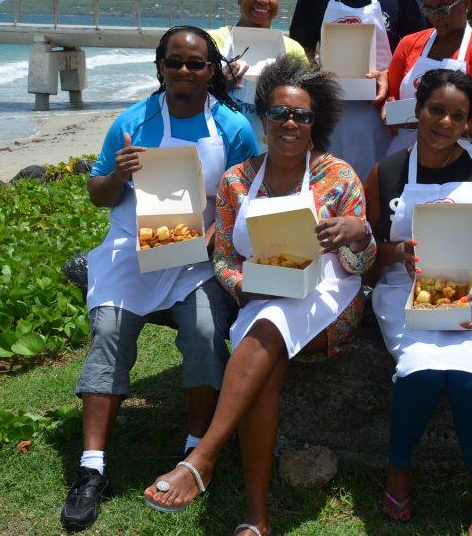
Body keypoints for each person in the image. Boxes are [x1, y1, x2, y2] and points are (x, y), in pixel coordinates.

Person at [143, 54, 376, 536]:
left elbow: (359, 265)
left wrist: (359, 235)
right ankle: (256, 518)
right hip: (262, 297)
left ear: (317, 122)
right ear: (264, 117)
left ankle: (204, 456)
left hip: (331, 295)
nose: (291, 122)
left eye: (303, 115)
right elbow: (225, 258)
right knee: (267, 355)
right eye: (280, 113)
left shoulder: (340, 177)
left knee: (269, 328)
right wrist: (242, 285)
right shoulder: (235, 182)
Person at [61, 26, 258, 531]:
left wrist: (213, 234)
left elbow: (245, 196)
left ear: (212, 71)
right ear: (161, 68)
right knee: (108, 333)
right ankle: (93, 468)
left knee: (206, 331)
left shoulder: (233, 127)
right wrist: (118, 174)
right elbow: (98, 195)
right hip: (131, 249)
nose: (185, 71)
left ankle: (194, 449)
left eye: (196, 63)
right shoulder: (133, 121)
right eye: (175, 62)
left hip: (197, 256)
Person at [366, 69, 472, 536]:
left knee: (471, 379)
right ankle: (399, 468)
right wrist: (396, 253)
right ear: (417, 111)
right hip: (406, 292)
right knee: (421, 371)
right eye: (437, 110)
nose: (446, 123)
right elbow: (370, 251)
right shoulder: (388, 171)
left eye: (458, 116)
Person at [289, 0, 428, 180]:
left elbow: (421, 47)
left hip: (383, 115)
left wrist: (389, 75)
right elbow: (299, 49)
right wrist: (314, 71)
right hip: (330, 114)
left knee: (382, 182)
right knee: (332, 182)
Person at [383, 0, 472, 153]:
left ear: (466, 4)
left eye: (443, 10)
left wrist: (437, 127)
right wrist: (388, 109)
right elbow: (392, 95)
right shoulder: (408, 44)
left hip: (456, 159)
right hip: (403, 152)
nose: (435, 17)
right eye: (429, 10)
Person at [207, 0, 307, 147]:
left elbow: (305, 104)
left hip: (275, 151)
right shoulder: (211, 41)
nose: (262, 0)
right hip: (222, 145)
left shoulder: (294, 49)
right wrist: (217, 83)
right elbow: (186, 92)